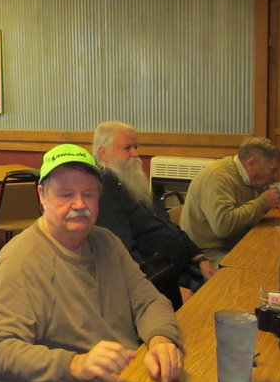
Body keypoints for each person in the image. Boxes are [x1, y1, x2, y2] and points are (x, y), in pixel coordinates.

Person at [0, 144, 183, 382]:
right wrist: (76, 365)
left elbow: (149, 301)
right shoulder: (18, 262)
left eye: (88, 194)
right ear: (42, 195)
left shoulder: (107, 242)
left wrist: (161, 340)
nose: (80, 204)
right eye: (65, 195)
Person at [92, 121, 216, 300]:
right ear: (103, 153)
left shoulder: (133, 182)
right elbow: (125, 254)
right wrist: (168, 289)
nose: (136, 154)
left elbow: (168, 225)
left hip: (187, 270)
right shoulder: (104, 190)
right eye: (127, 148)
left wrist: (199, 257)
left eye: (136, 147)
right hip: (159, 285)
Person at [180, 136, 280, 265]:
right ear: (252, 163)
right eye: (273, 171)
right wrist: (262, 202)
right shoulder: (218, 178)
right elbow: (223, 226)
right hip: (207, 255)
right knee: (267, 266)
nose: (277, 177)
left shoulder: (252, 177)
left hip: (238, 242)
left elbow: (278, 195)